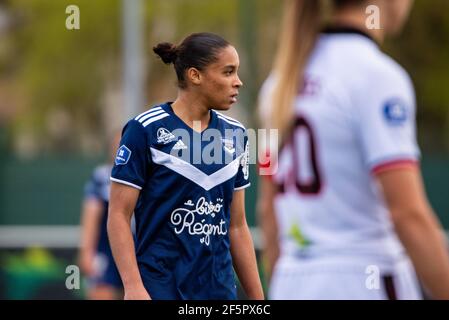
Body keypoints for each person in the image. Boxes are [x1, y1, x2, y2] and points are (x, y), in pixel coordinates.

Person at [257, 0, 449, 300]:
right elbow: (407, 214)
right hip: (364, 279)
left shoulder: (277, 84)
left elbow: (268, 209)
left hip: (291, 282)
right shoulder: (378, 77)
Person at [108, 32, 264, 300]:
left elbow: (237, 226)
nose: (238, 82)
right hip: (160, 289)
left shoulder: (237, 135)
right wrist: (133, 287)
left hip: (219, 292)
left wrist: (257, 298)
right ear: (195, 75)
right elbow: (119, 216)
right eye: (228, 72)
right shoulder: (145, 129)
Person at [79, 132, 123, 300]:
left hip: (137, 250)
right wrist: (87, 251)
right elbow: (91, 213)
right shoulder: (102, 176)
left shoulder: (147, 176)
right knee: (102, 293)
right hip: (106, 249)